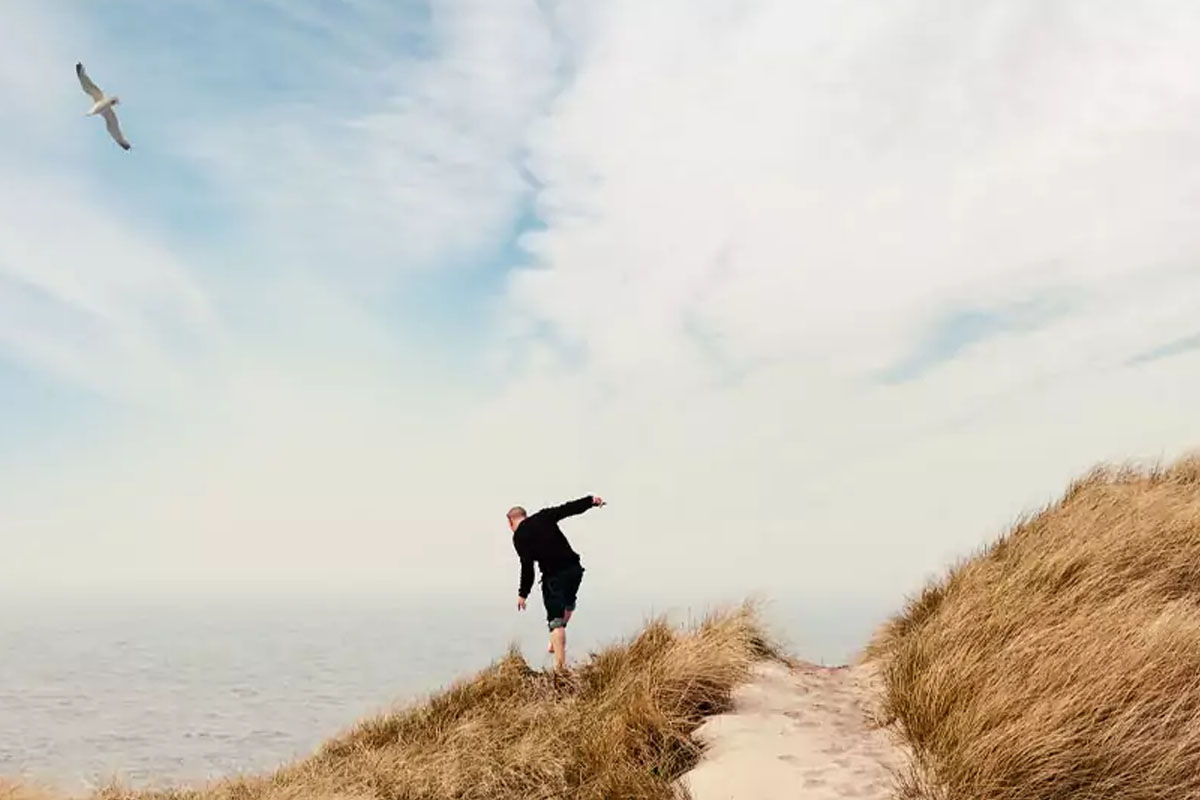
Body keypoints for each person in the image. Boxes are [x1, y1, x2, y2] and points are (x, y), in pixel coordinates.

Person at [509, 494, 605, 670]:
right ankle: (556, 639)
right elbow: (568, 508)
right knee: (568, 603)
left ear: (510, 523)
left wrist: (523, 593)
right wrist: (590, 501)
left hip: (554, 576)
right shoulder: (544, 516)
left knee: (555, 622)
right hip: (574, 569)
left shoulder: (519, 537)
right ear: (526, 516)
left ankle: (560, 670)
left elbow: (527, 567)